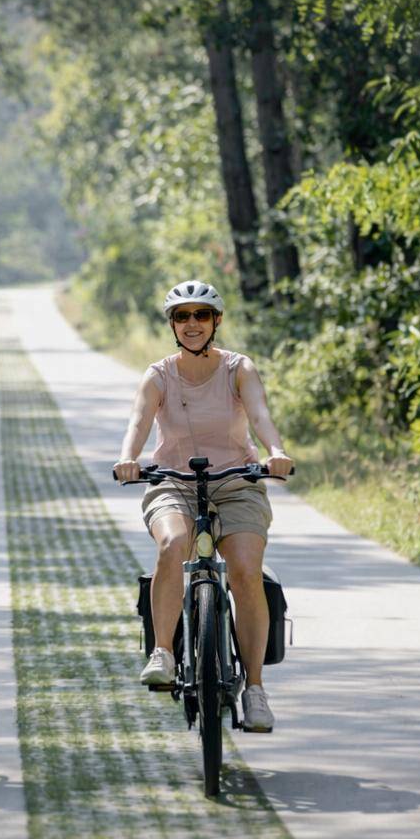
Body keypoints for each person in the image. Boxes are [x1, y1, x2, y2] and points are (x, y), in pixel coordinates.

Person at [112, 279, 294, 732]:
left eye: (201, 315)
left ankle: (254, 689)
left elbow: (260, 415)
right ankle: (164, 652)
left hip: (236, 481)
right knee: (173, 544)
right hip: (173, 481)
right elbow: (139, 420)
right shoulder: (158, 375)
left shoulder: (238, 369)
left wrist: (275, 450)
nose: (191, 324)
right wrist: (128, 458)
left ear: (216, 322)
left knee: (247, 569)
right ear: (172, 325)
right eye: (181, 316)